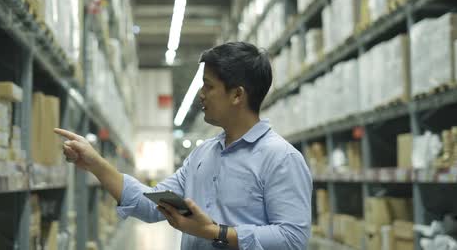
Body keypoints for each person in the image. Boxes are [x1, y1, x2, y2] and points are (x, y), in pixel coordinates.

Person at [55, 42, 312, 250]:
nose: (201, 94)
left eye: (209, 86)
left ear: (237, 95)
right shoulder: (202, 155)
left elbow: (291, 238)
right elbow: (151, 204)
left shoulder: (281, 158)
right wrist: (95, 164)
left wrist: (215, 232)